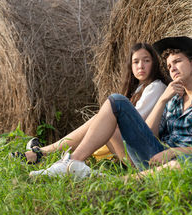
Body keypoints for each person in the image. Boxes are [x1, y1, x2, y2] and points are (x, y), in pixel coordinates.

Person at [29, 36, 192, 179]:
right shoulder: (173, 100)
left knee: (181, 165)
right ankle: (72, 162)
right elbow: (150, 134)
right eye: (169, 65)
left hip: (184, 159)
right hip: (156, 155)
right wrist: (163, 101)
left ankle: (119, 182)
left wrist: (174, 151)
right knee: (116, 100)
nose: (172, 68)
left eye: (177, 62)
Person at [12, 43, 167, 165]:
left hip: (141, 155)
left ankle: (44, 153)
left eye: (146, 61)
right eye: (136, 62)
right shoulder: (140, 89)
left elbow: (131, 123)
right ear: (131, 66)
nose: (141, 66)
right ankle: (48, 154)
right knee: (101, 121)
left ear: (154, 64)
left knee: (103, 120)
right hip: (131, 150)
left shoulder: (156, 87)